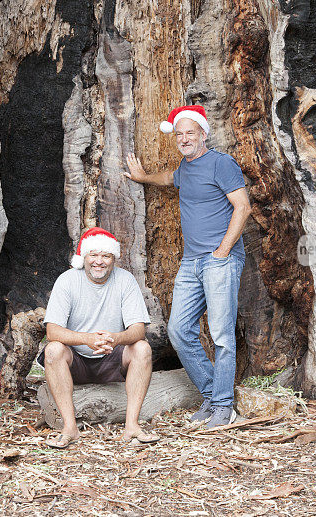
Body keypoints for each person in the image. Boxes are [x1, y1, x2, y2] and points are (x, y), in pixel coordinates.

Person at [123, 104, 251, 428]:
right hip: (191, 262)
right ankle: (212, 394)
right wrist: (143, 177)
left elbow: (243, 207)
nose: (184, 139)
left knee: (222, 334)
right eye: (179, 134)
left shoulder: (221, 163)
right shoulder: (185, 167)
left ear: (203, 134)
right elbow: (170, 178)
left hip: (220, 260)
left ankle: (224, 407)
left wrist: (223, 250)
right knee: (179, 332)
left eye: (190, 133)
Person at [41, 227, 159, 448]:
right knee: (53, 349)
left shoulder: (125, 280)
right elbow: (52, 331)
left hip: (112, 358)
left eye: (105, 256)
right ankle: (70, 427)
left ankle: (132, 425)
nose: (99, 261)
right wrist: (86, 339)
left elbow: (138, 330)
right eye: (93, 255)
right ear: (83, 257)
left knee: (142, 348)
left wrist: (115, 338)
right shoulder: (67, 280)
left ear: (113, 258)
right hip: (76, 360)